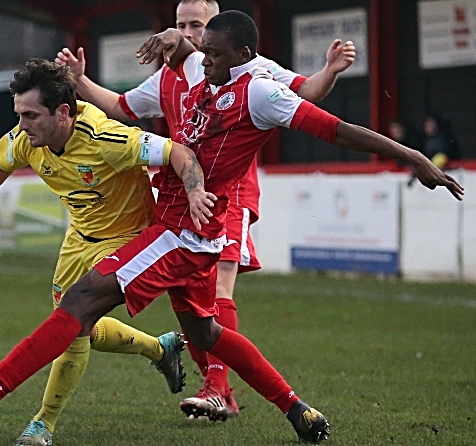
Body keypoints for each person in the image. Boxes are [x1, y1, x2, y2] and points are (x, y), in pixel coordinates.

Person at [0, 12, 462, 445]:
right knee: (205, 335)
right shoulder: (204, 70)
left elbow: (338, 131)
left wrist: (411, 155)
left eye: (217, 56)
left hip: (185, 229)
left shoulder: (261, 93)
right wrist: (174, 41)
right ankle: (297, 408)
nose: (209, 65)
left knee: (81, 300)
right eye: (205, 53)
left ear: (244, 55)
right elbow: (168, 69)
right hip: (189, 226)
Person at [55, 0, 356, 421]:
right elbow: (122, 107)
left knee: (219, 292)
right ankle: (225, 391)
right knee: (195, 313)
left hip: (228, 192)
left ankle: (218, 389)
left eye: (197, 24)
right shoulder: (169, 77)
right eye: (181, 25)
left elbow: (306, 95)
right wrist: (81, 81)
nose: (189, 32)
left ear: (214, 25)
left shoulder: (252, 71)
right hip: (185, 194)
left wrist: (330, 71)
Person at [0, 59, 214, 445]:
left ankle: (42, 424)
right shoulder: (28, 137)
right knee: (70, 322)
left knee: (74, 321)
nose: (22, 125)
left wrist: (194, 191)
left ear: (63, 113)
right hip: (80, 237)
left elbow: (179, 152)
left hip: (125, 240)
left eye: (31, 115)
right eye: (19, 114)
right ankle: (159, 348)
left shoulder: (106, 137)